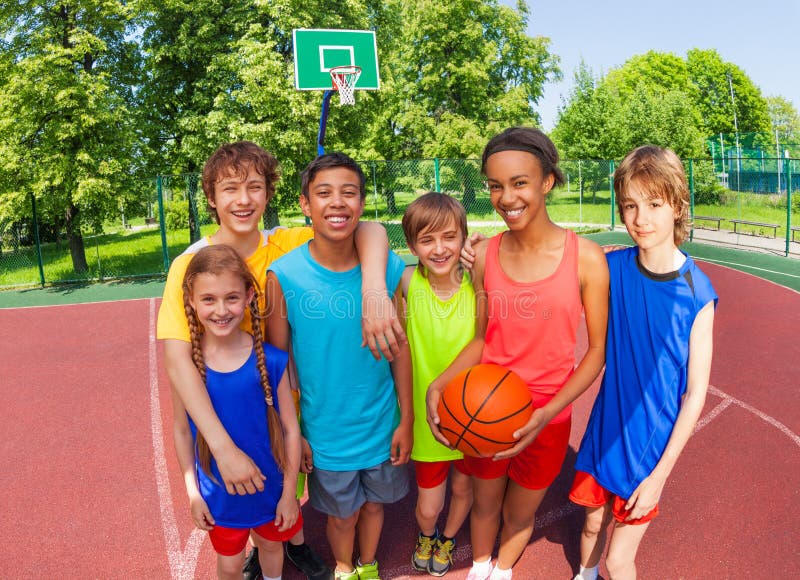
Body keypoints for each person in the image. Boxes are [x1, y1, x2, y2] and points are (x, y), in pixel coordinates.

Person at [156, 141, 404, 580]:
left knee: (285, 486)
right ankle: (263, 546)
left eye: (255, 186)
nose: (244, 199)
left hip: (288, 396)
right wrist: (222, 447)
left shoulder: (286, 241)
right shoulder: (189, 264)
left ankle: (294, 544)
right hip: (230, 404)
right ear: (211, 198)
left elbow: (369, 229)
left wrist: (372, 290)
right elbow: (178, 364)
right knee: (243, 483)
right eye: (230, 188)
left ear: (270, 194)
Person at [426, 127, 610, 580]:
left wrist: (547, 415)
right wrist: (438, 384)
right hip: (485, 406)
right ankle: (481, 567)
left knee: (518, 514)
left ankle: (503, 570)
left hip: (546, 419)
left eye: (519, 182)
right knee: (484, 507)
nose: (505, 197)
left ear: (547, 181)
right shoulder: (486, 255)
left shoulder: (586, 258)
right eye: (495, 185)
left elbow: (596, 353)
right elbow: (482, 339)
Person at [569, 145, 717, 580]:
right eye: (630, 206)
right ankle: (584, 574)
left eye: (654, 204)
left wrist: (660, 477)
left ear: (677, 205)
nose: (640, 219)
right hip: (604, 431)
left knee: (620, 559)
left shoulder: (697, 293)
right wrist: (480, 251)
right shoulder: (611, 267)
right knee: (593, 521)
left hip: (649, 451)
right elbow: (548, 257)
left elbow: (695, 395)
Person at [265, 152, 413, 580]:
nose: (337, 202)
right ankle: (344, 568)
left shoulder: (386, 269)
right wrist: (295, 434)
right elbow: (280, 366)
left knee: (374, 506)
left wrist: (406, 419)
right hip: (325, 433)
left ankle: (368, 565)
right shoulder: (284, 276)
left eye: (349, 193)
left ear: (362, 204)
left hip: (381, 424)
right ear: (304, 204)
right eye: (324, 193)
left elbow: (400, 350)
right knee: (342, 516)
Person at [171, 244, 302, 580]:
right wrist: (192, 493)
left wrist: (290, 494)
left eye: (231, 297)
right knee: (229, 566)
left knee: (272, 549)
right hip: (219, 498)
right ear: (191, 301)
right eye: (209, 299)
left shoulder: (272, 360)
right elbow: (183, 431)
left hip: (271, 491)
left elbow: (290, 429)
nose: (221, 310)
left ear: (248, 297)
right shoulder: (186, 369)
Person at [400, 192, 475, 577]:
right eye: (427, 240)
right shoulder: (408, 280)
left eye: (449, 237)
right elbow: (368, 238)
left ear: (464, 238)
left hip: (476, 415)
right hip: (428, 423)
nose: (440, 248)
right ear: (412, 245)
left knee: (464, 491)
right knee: (428, 505)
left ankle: (446, 539)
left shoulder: (478, 283)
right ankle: (427, 534)